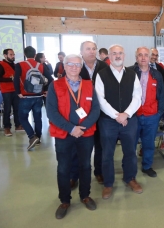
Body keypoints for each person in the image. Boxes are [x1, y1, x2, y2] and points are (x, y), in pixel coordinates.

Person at [46, 54, 100, 219]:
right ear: (64, 65)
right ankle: (64, 200)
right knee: (63, 168)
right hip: (64, 134)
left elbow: (95, 110)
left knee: (85, 166)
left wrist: (81, 128)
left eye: (78, 64)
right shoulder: (55, 86)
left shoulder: (89, 84)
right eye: (70, 64)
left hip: (85, 133)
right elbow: (51, 112)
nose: (74, 67)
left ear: (81, 66)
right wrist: (71, 128)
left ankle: (85, 195)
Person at [95, 44, 143, 199]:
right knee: (107, 153)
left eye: (120, 53)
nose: (117, 56)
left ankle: (130, 178)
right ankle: (108, 183)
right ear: (109, 55)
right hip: (108, 121)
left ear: (124, 55)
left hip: (129, 121)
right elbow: (100, 100)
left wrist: (126, 114)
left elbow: (138, 97)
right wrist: (117, 115)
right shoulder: (101, 74)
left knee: (130, 152)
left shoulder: (132, 74)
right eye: (114, 53)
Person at [130, 47, 164, 177]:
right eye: (140, 55)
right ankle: (130, 168)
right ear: (136, 57)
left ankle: (147, 166)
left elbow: (161, 95)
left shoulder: (156, 74)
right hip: (134, 116)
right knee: (131, 144)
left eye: (146, 55)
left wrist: (159, 113)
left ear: (150, 57)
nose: (143, 58)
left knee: (149, 143)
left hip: (152, 116)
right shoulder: (129, 72)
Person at [78, 41, 108, 184]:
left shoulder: (104, 66)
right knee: (81, 144)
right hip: (81, 111)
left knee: (100, 144)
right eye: (88, 49)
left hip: (101, 110)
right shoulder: (75, 66)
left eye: (94, 49)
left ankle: (99, 171)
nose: (91, 51)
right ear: (81, 51)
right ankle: (75, 174)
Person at [14, 46, 53, 150]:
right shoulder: (41, 65)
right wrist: (47, 91)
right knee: (37, 118)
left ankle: (32, 136)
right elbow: (50, 79)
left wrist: (18, 92)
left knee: (22, 117)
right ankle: (38, 138)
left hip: (25, 96)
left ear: (25, 54)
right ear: (35, 55)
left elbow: (16, 80)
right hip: (38, 96)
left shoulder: (19, 65)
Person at [0, 49, 23, 136]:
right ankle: (7, 128)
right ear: (5, 55)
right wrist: (10, 79)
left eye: (13, 54)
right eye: (11, 54)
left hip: (15, 90)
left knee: (17, 109)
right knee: (7, 110)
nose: (13, 56)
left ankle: (18, 125)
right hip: (6, 91)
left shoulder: (15, 65)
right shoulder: (0, 65)